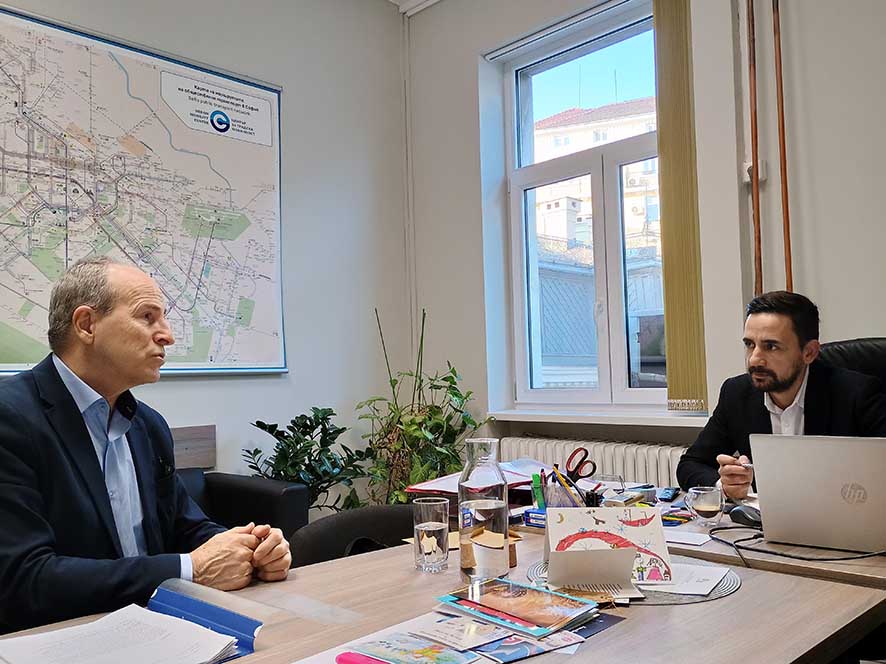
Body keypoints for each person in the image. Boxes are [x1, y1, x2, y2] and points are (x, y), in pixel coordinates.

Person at [0, 257, 291, 632]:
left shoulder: (148, 425)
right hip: (62, 637)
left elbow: (185, 527)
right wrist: (190, 569)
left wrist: (250, 548)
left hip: (158, 627)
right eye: (147, 317)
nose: (167, 336)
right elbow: (24, 579)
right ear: (86, 325)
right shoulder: (11, 418)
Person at [676, 290, 886, 499]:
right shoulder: (737, 393)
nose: (754, 359)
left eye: (771, 346)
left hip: (839, 516)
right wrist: (723, 485)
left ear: (809, 352)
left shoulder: (857, 394)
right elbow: (691, 464)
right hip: (765, 518)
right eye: (750, 344)